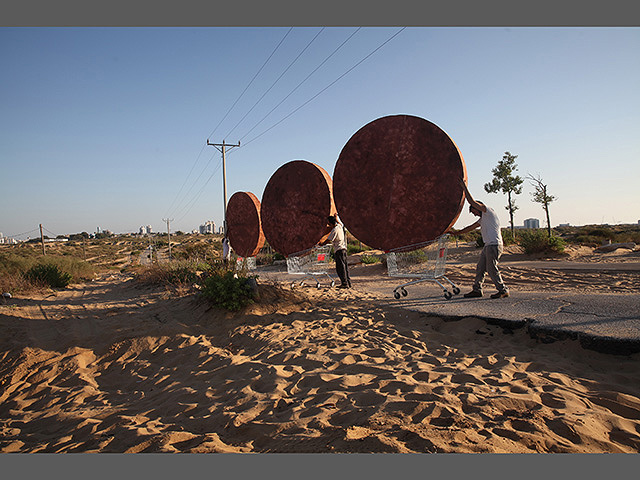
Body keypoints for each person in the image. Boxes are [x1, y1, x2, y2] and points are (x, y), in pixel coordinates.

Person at [448, 179, 509, 299]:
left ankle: (503, 290)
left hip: (494, 245)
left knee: (492, 269)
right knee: (480, 268)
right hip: (488, 246)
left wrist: (464, 188)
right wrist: (456, 233)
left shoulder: (488, 211)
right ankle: (477, 290)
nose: (474, 214)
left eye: (474, 211)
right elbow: (471, 227)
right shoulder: (483, 219)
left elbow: (471, 201)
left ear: (478, 207)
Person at [324, 215, 352, 289]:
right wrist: (336, 217)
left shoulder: (334, 230)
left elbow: (328, 240)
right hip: (344, 249)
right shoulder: (339, 226)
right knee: (345, 267)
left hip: (339, 251)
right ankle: (348, 282)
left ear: (330, 223)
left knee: (340, 268)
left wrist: (320, 244)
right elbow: (341, 223)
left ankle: (344, 283)